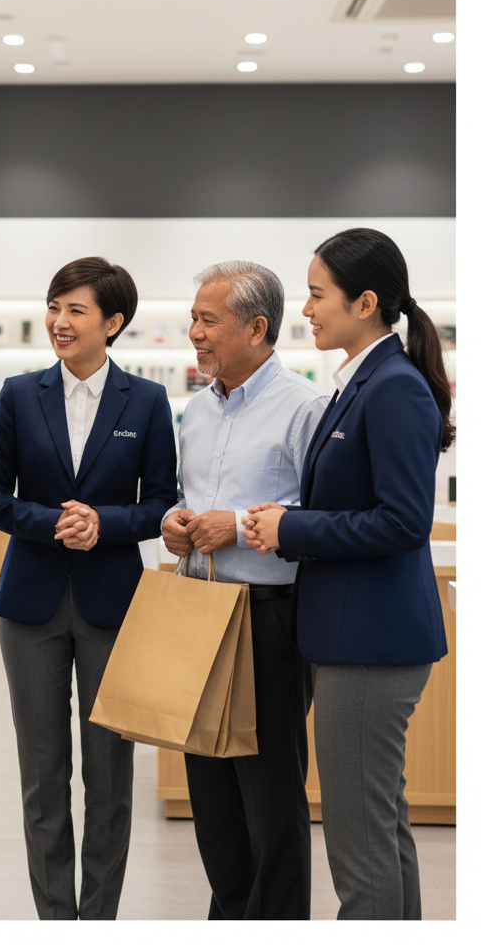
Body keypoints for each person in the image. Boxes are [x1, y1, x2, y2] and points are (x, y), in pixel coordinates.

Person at [242, 228, 452, 920]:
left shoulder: (392, 388)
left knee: (360, 852)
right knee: (381, 831)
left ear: (365, 303)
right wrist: (292, 516)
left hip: (369, 645)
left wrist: (291, 529)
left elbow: (401, 522)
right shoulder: (362, 381)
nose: (305, 308)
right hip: (354, 639)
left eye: (315, 293)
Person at [0, 257, 177, 919]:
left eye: (76, 310)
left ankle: (101, 919)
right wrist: (56, 522)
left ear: (113, 323)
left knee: (110, 776)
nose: (59, 321)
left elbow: (163, 503)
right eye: (54, 306)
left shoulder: (145, 402)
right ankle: (55, 919)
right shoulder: (18, 394)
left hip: (113, 604)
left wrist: (106, 524)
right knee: (42, 774)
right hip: (29, 603)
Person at [160, 260, 329, 920]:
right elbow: (190, 499)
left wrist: (242, 526)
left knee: (271, 795)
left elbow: (322, 523)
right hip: (199, 612)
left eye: (208, 319)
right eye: (193, 319)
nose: (194, 333)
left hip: (269, 619)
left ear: (257, 328)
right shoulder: (197, 411)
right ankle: (229, 917)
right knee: (212, 794)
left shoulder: (307, 409)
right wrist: (175, 523)